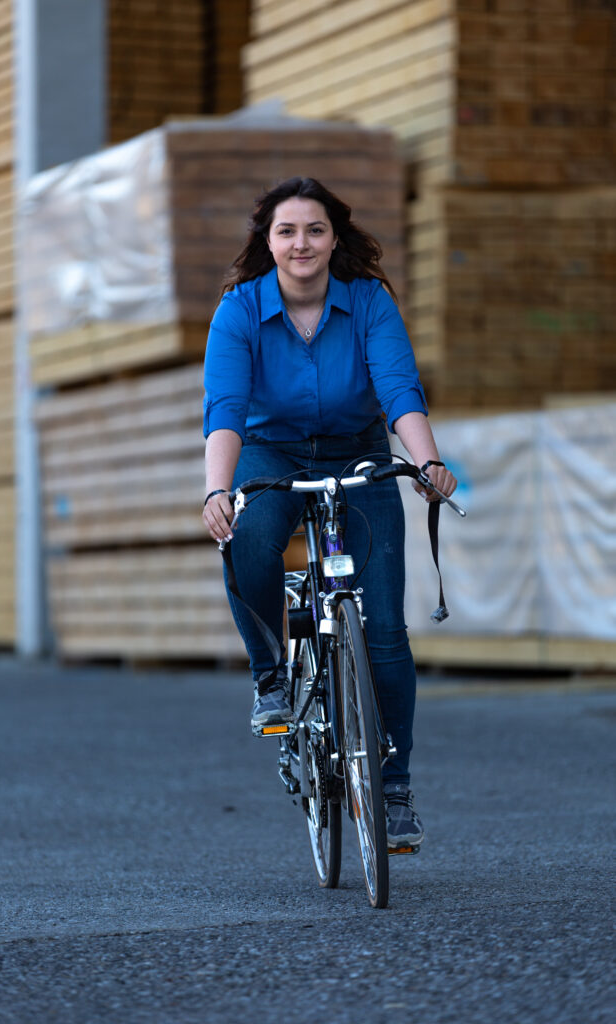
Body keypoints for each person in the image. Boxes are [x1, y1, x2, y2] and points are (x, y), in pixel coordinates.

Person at [202, 177, 457, 848]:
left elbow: (399, 388)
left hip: (357, 453)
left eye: (314, 229)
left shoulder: (368, 302)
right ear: (268, 241)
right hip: (270, 452)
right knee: (250, 542)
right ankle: (270, 677)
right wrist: (216, 489)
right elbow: (224, 409)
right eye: (286, 231)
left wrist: (427, 463)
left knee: (385, 636)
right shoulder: (238, 311)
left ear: (334, 237)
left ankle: (394, 790)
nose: (301, 243)